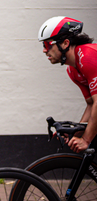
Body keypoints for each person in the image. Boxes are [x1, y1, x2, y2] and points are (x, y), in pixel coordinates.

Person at [38, 16, 97, 152]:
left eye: (47, 45)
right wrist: (76, 134)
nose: (44, 50)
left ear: (65, 43)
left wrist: (86, 139)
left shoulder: (87, 57)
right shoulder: (73, 70)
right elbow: (90, 104)